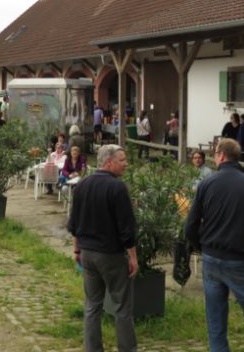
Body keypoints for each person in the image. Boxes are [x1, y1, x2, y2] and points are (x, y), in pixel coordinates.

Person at [185, 138, 244, 352]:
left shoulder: (206, 184)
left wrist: (201, 248)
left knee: (215, 323)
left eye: (215, 154)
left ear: (222, 155)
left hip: (212, 259)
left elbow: (190, 226)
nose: (214, 157)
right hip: (240, 260)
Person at [67, 145, 138, 352]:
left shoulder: (82, 185)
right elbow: (127, 228)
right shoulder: (117, 188)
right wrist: (133, 257)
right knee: (122, 306)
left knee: (92, 305)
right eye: (122, 160)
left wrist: (77, 251)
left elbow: (74, 223)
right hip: (111, 255)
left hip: (87, 254)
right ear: (108, 162)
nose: (126, 164)